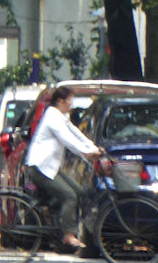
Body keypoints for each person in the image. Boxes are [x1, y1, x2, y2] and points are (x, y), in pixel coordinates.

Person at [24, 86, 102, 248]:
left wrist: (92, 146)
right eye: (70, 102)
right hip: (40, 167)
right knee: (69, 197)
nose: (71, 106)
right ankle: (68, 234)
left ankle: (62, 229)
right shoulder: (52, 117)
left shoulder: (60, 116)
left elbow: (75, 133)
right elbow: (67, 140)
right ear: (60, 101)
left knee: (79, 192)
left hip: (50, 168)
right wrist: (87, 152)